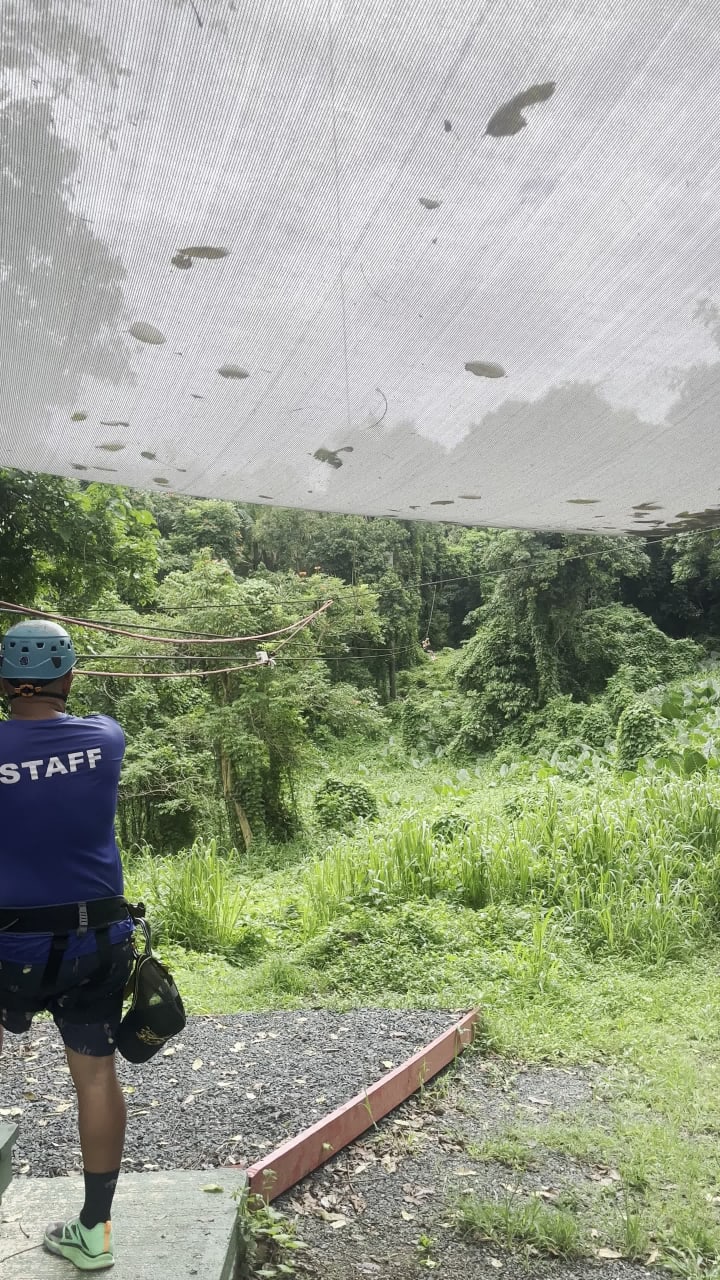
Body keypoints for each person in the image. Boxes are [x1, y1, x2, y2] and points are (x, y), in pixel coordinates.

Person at [0, 619, 135, 1272]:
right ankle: (94, 1232)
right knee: (95, 1075)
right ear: (70, 677)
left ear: (3, 682)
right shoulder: (105, 738)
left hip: (9, 950)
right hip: (95, 942)